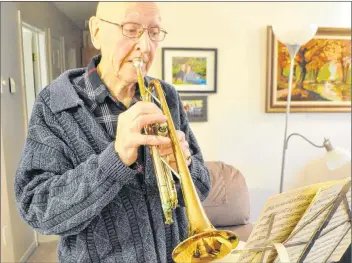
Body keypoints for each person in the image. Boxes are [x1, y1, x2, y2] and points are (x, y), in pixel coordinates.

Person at [14, 2, 210, 263]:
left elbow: (203, 185)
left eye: (154, 32)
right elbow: (36, 209)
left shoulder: (167, 97)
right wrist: (114, 160)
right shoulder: (54, 105)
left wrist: (183, 164)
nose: (145, 45)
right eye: (131, 29)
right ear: (96, 32)